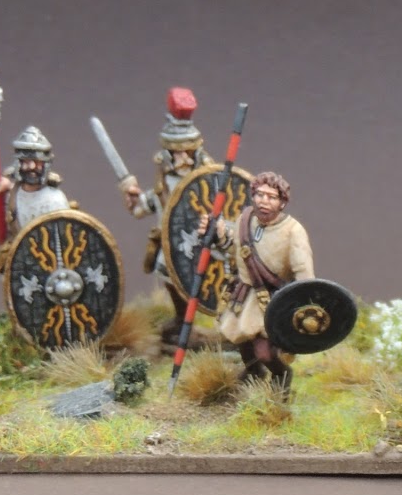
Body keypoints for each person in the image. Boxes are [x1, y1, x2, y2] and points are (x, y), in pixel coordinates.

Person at [120, 88, 230, 344]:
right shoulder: (165, 180)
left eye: (186, 152)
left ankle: (228, 324)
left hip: (206, 242)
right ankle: (182, 320)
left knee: (216, 281)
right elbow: (150, 205)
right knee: (165, 271)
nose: (181, 158)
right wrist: (135, 200)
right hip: (173, 243)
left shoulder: (208, 178)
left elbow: (224, 205)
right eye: (176, 153)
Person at [199, 172, 314, 398]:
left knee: (264, 351)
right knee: (241, 339)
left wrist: (303, 302)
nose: (264, 201)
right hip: (243, 293)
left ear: (282, 202)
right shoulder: (245, 220)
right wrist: (218, 234)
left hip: (271, 299)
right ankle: (253, 373)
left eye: (271, 197)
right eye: (260, 195)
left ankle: (281, 374)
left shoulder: (293, 231)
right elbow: (233, 248)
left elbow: (303, 272)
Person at [0, 125, 77, 272]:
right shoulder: (13, 193)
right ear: (18, 163)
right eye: (25, 161)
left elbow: (62, 242)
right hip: (20, 263)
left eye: (37, 162)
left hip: (49, 267)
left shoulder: (54, 200)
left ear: (45, 164)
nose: (31, 166)